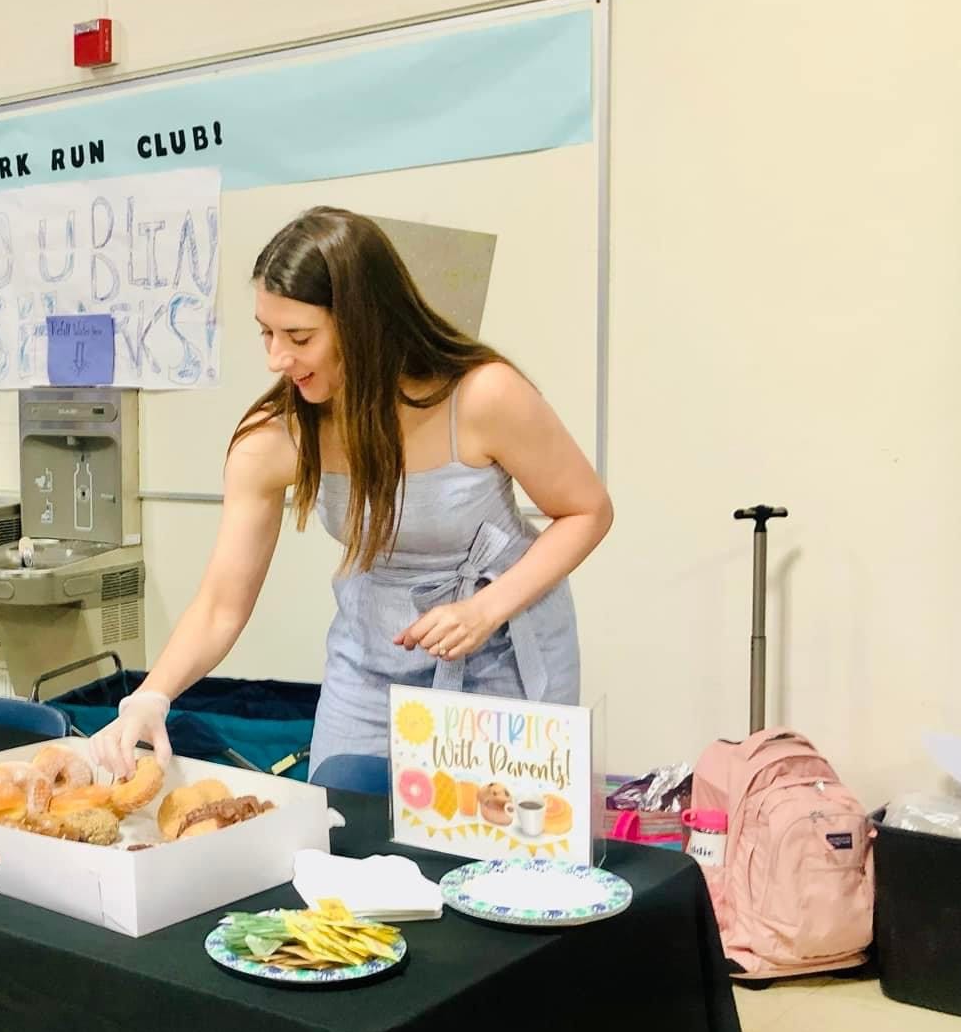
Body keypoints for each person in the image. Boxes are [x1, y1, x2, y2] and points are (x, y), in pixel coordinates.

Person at [90, 207, 613, 777]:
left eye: (300, 337)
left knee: (496, 847)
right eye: (266, 333)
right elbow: (221, 603)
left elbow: (586, 511)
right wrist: (151, 696)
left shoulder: (484, 396)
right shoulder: (274, 439)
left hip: (503, 648)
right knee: (340, 826)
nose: (277, 359)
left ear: (365, 323)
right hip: (370, 659)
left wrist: (485, 609)